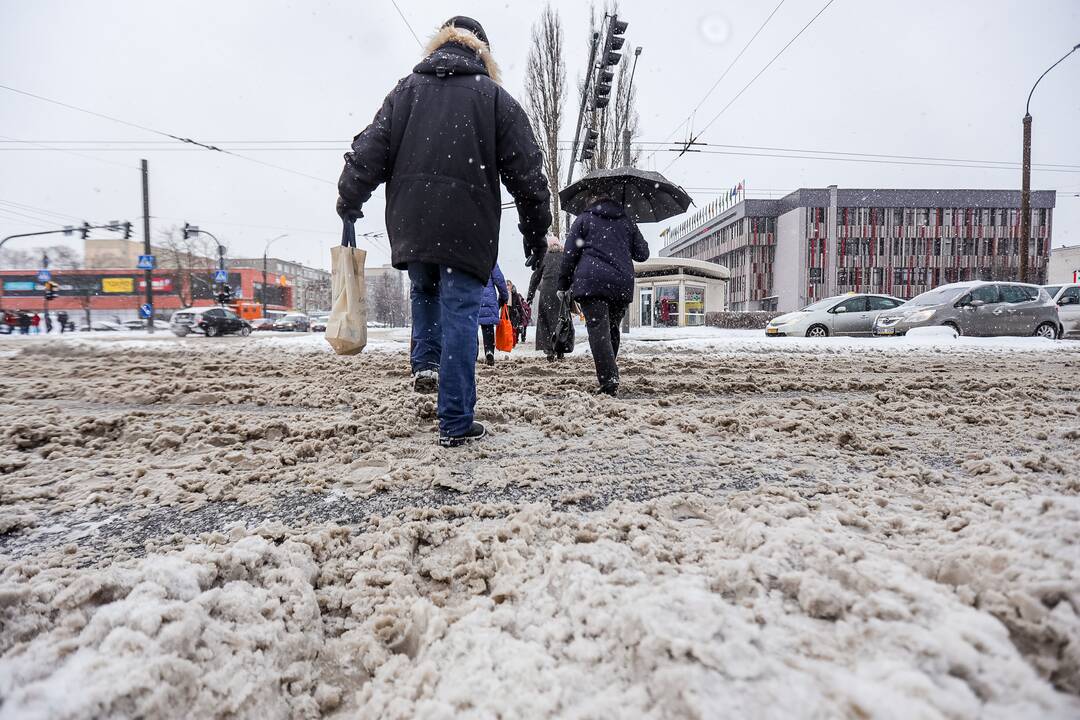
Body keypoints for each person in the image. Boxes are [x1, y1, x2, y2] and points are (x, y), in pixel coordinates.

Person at [336, 15, 551, 448]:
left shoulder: (405, 92)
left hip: (412, 224)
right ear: (483, 54)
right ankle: (454, 421)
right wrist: (535, 234)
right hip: (468, 225)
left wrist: (350, 201)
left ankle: (425, 364)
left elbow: (367, 152)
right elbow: (528, 175)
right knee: (460, 312)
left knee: (426, 292)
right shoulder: (493, 99)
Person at [558, 193, 650, 396]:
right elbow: (643, 253)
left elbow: (569, 254)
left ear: (591, 200)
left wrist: (563, 283)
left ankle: (609, 379)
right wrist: (628, 228)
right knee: (612, 329)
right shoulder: (626, 221)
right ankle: (610, 373)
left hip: (592, 282)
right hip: (620, 284)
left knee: (599, 330)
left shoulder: (583, 219)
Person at [527, 236, 566, 361]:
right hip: (561, 292)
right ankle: (560, 349)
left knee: (545, 321)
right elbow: (571, 273)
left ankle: (549, 350)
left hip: (546, 292)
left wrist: (530, 295)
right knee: (561, 321)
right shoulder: (565, 256)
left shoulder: (545, 257)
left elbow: (535, 277)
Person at [478, 263, 509, 366]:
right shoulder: (490, 256)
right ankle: (489, 351)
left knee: (471, 327)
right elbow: (499, 279)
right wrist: (504, 296)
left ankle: (472, 353)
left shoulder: (467, 254)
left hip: (473, 296)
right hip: (489, 298)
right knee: (488, 327)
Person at [507, 279, 529, 344]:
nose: (508, 286)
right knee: (507, 328)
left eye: (509, 285)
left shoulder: (515, 295)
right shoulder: (504, 294)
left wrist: (522, 317)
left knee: (514, 328)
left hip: (514, 314)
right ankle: (508, 341)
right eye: (507, 285)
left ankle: (514, 340)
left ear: (511, 285)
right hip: (506, 314)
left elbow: (519, 306)